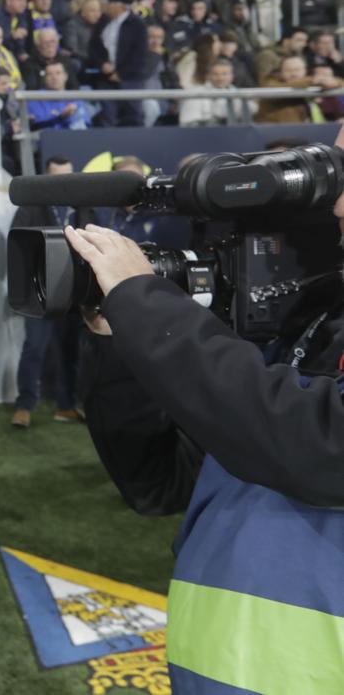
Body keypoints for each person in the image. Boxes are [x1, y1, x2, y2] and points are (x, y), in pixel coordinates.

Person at [64, 123, 344, 691]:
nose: (337, 202)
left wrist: (146, 307)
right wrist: (122, 341)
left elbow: (323, 446)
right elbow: (159, 482)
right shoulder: (315, 320)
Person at [10, 157, 88, 428]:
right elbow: (18, 241)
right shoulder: (33, 205)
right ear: (47, 177)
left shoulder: (82, 206)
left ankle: (66, 405)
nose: (63, 182)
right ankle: (24, 406)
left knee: (71, 351)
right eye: (57, 177)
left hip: (74, 293)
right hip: (40, 292)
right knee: (34, 348)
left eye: (67, 176)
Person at [89, 0, 148, 126]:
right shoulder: (103, 21)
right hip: (106, 78)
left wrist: (121, 74)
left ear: (121, 6)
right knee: (107, 115)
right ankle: (109, 145)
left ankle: (136, 144)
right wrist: (102, 64)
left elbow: (139, 54)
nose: (107, 5)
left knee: (134, 115)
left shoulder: (137, 24)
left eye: (110, 3)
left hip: (130, 78)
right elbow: (94, 47)